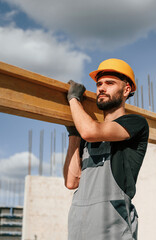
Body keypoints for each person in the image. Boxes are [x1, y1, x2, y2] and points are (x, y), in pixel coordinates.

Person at [64, 58, 149, 240]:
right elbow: (71, 181)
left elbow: (90, 131)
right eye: (99, 84)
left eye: (109, 83)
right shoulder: (89, 136)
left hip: (113, 231)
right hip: (78, 230)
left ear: (126, 89)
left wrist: (73, 99)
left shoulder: (135, 124)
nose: (101, 88)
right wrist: (73, 135)